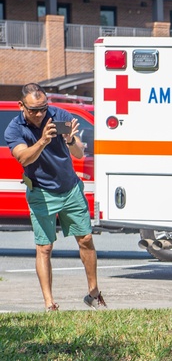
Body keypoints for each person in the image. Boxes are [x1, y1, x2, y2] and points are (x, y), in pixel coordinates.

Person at [4, 83, 106, 311]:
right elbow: (23, 158)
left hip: (70, 188)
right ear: (21, 106)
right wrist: (43, 140)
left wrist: (70, 139)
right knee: (45, 247)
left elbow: (79, 152)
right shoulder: (14, 128)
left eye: (43, 108)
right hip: (40, 191)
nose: (40, 114)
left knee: (86, 239)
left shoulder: (59, 115)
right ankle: (49, 303)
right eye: (34, 110)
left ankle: (93, 292)